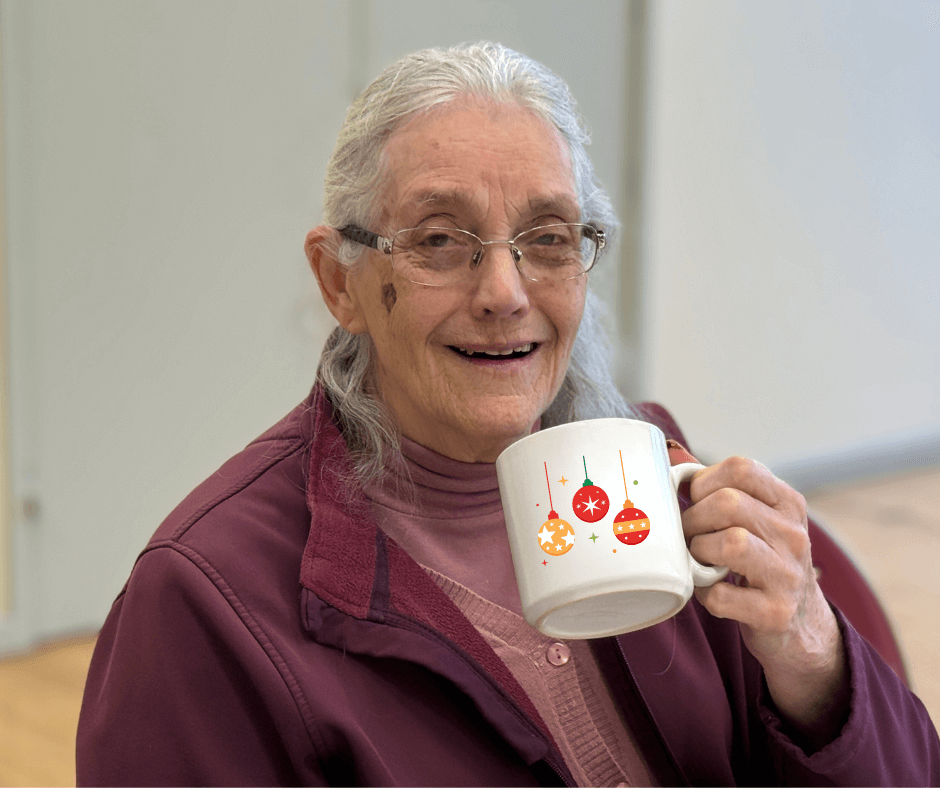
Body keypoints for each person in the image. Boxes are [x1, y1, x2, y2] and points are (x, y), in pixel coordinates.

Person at [76, 42, 939, 786]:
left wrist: (815, 661)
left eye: (549, 238)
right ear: (341, 281)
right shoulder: (205, 603)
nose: (504, 292)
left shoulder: (649, 473)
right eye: (441, 241)